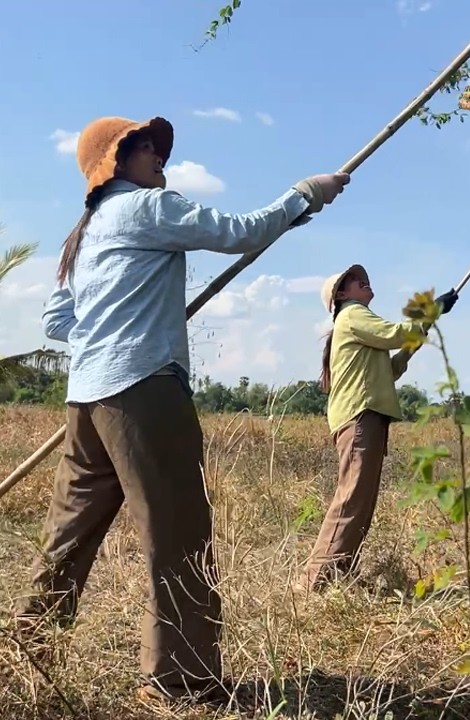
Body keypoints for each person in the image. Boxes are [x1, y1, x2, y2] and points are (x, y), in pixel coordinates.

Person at [16, 115, 349, 705]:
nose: (158, 155)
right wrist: (306, 194)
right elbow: (240, 232)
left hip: (86, 399)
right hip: (143, 391)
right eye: (142, 145)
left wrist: (109, 327)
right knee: (177, 534)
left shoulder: (84, 232)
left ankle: (25, 653)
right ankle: (182, 682)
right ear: (115, 161)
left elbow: (55, 321)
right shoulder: (146, 208)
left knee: (66, 536)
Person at [297, 265, 457, 592]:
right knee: (352, 500)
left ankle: (337, 577)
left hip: (366, 418)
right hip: (360, 418)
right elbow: (395, 334)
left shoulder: (359, 324)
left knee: (360, 503)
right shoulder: (354, 314)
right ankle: (312, 583)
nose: (362, 280)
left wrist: (423, 328)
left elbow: (394, 367)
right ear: (341, 295)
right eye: (354, 280)